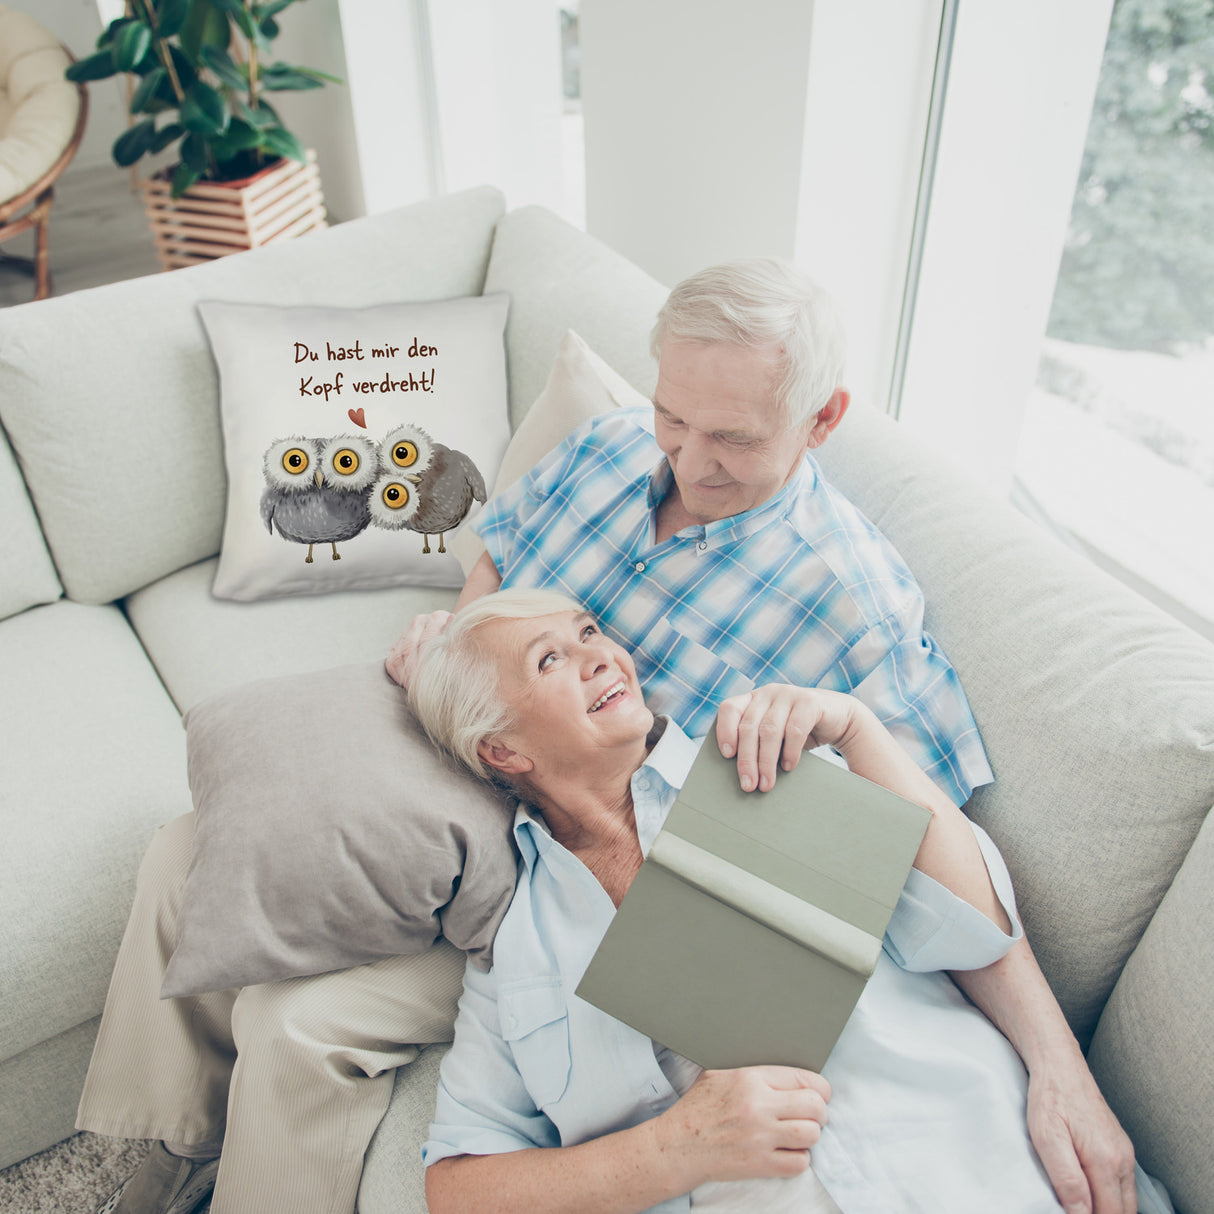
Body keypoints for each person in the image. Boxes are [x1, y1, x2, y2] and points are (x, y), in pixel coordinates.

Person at [389, 259, 1136, 1213]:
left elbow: (944, 885)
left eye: (732, 438)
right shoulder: (608, 450)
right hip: (495, 833)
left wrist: (1058, 1069)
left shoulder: (830, 661)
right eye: (674, 418)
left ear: (822, 420)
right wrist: (463, 656)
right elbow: (501, 549)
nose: (689, 462)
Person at [407, 588, 1160, 1214]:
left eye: (589, 632)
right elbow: (458, 1188)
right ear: (502, 750)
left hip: (985, 1167)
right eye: (550, 659)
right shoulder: (516, 952)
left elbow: (972, 929)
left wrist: (859, 731)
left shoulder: (762, 761)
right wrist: (674, 1149)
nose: (601, 655)